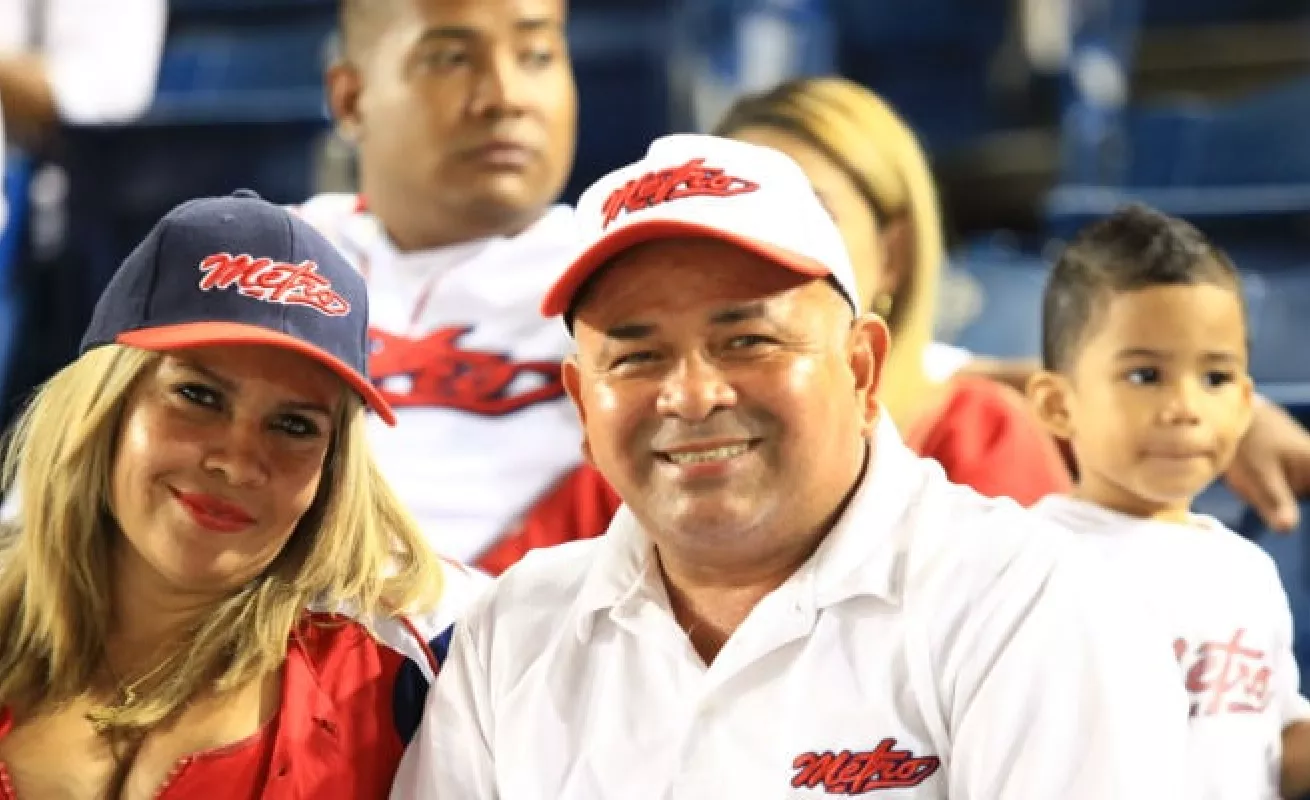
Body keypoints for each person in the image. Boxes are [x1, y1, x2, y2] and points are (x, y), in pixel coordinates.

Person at [308, 0, 1310, 574]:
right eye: (639, 349)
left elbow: (884, 370)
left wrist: (1189, 397)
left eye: (538, 51)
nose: (505, 91)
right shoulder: (612, 273)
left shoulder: (619, 260)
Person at [391, 134, 1190, 799]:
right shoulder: (514, 631)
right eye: (636, 357)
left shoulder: (1029, 601)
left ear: (863, 366)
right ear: (580, 404)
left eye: (748, 340)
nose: (692, 395)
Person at [0, 190, 485, 799]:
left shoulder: (430, 650)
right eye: (198, 397)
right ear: (106, 406)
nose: (236, 461)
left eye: (294, 426)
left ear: (334, 467)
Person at [1025, 205, 1310, 799]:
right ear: (1057, 404)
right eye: (1145, 375)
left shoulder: (1247, 571)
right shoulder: (1024, 566)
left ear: (1245, 402)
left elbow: (1275, 744)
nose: (1186, 407)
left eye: (1215, 379)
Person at [714, 76, 1069, 504]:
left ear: (892, 254)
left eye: (811, 215)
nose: (762, 246)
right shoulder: (654, 432)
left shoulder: (979, 436)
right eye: (732, 220)